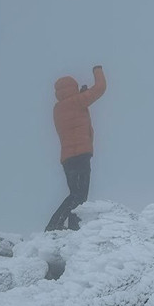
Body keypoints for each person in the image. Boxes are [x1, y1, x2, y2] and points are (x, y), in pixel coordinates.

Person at [46, 65, 106, 231]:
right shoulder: (77, 102)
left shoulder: (58, 108)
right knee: (79, 196)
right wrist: (97, 70)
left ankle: (73, 228)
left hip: (68, 158)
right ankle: (55, 225)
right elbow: (100, 88)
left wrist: (80, 96)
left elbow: (74, 112)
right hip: (81, 155)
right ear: (73, 87)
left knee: (76, 194)